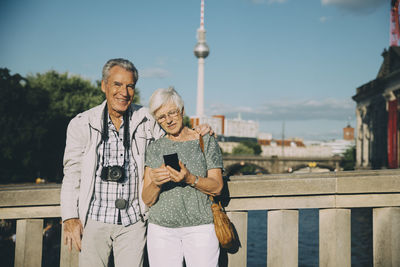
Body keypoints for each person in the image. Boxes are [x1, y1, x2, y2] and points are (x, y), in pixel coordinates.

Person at [60, 58, 212, 267]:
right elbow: (72, 174)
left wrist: (199, 133)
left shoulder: (147, 119)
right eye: (117, 84)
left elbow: (174, 137)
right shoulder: (82, 123)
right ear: (104, 85)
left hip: (133, 221)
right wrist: (69, 217)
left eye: (130, 86)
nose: (124, 92)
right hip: (94, 220)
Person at [142, 87, 223, 267]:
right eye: (161, 117)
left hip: (200, 227)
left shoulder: (206, 140)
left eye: (172, 112)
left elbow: (217, 187)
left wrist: (189, 178)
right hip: (161, 230)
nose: (169, 120)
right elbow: (147, 199)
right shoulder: (155, 148)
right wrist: (155, 184)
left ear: (183, 111)